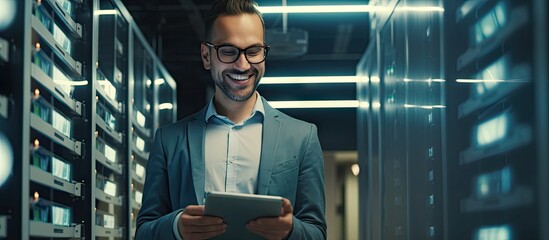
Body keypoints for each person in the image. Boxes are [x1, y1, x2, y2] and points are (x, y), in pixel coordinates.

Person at [135, 0, 326, 239]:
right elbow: (143, 231)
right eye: (228, 51)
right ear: (206, 55)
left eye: (253, 51)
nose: (243, 64)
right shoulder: (169, 140)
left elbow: (317, 232)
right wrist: (176, 227)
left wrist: (290, 230)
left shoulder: (302, 137)